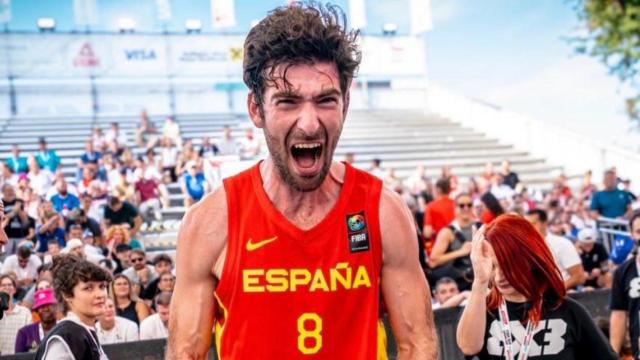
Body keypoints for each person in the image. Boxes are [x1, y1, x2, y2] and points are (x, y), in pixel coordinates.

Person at [168, 4, 438, 359]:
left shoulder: (382, 212)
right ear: (256, 109)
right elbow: (185, 354)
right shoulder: (211, 221)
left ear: (345, 104)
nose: (309, 123)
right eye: (288, 101)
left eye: (326, 100)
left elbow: (418, 345)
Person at [457, 214, 617, 359]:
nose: (499, 276)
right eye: (493, 267)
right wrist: (480, 281)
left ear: (528, 260)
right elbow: (468, 347)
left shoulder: (569, 311)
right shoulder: (481, 311)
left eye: (508, 266)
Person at [34, 255, 111, 359]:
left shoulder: (82, 330)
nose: (100, 294)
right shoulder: (67, 336)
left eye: (102, 286)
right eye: (88, 288)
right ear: (67, 295)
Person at [428, 193, 480, 290]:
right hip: (459, 284)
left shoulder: (481, 226)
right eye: (461, 205)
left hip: (481, 279)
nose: (466, 208)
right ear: (455, 208)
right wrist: (461, 252)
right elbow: (433, 261)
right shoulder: (447, 232)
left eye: (469, 205)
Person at [526, 209, 587, 290]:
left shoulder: (562, 244)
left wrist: (556, 292)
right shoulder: (524, 247)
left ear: (544, 224)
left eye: (533, 223)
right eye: (526, 224)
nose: (528, 227)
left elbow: (579, 277)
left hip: (564, 294)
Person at [610, 211, 640, 357]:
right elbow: (619, 314)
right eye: (639, 231)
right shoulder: (623, 271)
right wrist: (613, 353)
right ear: (632, 234)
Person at [14, 288, 58, 353]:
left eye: (49, 305)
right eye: (42, 306)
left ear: (56, 308)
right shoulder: (24, 333)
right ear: (37, 310)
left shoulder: (65, 330)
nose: (46, 309)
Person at [0, 274, 32, 355]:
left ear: (14, 289)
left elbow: (29, 338)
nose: (7, 287)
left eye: (9, 285)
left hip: (19, 357)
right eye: (3, 285)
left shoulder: (25, 312)